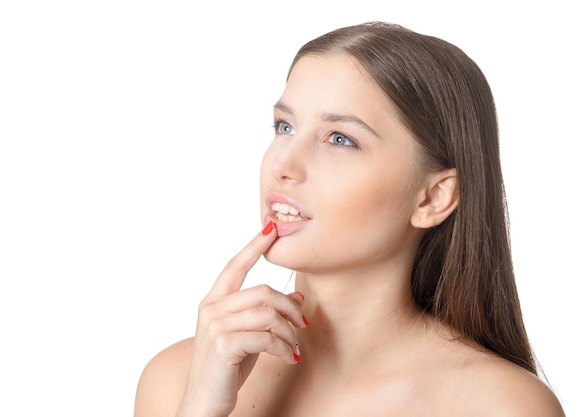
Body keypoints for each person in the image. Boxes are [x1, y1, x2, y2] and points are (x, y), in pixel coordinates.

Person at [133, 21, 566, 416]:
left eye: (340, 138)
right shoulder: (179, 379)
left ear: (433, 198)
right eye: (284, 127)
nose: (283, 164)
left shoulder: (502, 406)